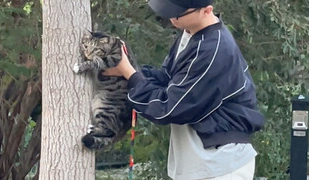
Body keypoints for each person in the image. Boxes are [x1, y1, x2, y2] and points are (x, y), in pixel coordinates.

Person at [103, 0, 265, 179]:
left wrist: (129, 73)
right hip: (200, 163)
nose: (172, 18)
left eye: (178, 13)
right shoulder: (190, 33)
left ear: (206, 10)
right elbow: (168, 79)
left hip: (219, 164)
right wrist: (129, 68)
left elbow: (168, 108)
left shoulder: (213, 50)